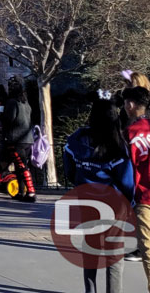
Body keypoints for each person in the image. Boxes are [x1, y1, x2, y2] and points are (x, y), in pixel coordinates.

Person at [64, 98, 135, 293]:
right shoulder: (118, 147)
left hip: (87, 202)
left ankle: (90, 290)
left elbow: (69, 170)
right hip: (114, 205)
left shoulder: (76, 140)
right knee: (114, 256)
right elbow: (127, 182)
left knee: (91, 249)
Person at [123, 86, 150, 280]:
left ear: (131, 105)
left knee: (148, 249)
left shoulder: (130, 133)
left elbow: (127, 168)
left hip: (144, 197)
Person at [0, 77, 36, 201]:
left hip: (15, 139)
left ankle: (30, 192)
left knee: (22, 166)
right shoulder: (26, 103)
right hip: (27, 139)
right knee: (20, 167)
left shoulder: (12, 102)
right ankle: (20, 191)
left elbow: (9, 119)